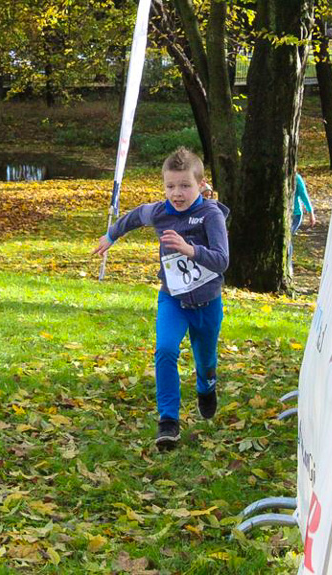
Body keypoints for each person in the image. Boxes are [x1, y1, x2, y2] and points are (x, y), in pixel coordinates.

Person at [93, 147, 229, 451]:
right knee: (165, 350)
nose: (176, 194)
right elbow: (135, 215)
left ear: (201, 185)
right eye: (170, 186)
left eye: (184, 186)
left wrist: (189, 249)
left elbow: (222, 260)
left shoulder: (211, 215)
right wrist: (111, 235)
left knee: (205, 361)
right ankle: (168, 422)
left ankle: (206, 386)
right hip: (173, 301)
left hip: (208, 304)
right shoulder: (160, 211)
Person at [289, 172, 316, 275]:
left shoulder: (296, 178)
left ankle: (288, 264)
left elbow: (304, 195)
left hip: (295, 215)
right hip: (282, 214)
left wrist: (311, 213)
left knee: (287, 239)